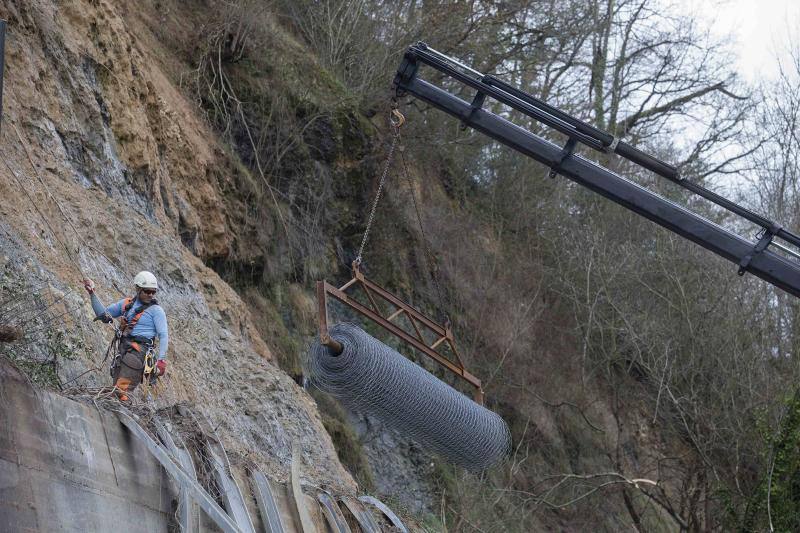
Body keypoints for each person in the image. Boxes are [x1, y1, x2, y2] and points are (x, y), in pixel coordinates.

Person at [84, 271, 169, 401]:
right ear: (138, 289)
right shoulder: (126, 304)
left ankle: (124, 414)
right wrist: (92, 293)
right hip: (123, 350)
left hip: (138, 353)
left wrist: (161, 361)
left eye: (153, 292)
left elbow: (163, 335)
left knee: (121, 392)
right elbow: (103, 314)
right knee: (116, 391)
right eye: (147, 291)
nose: (150, 295)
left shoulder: (157, 311)